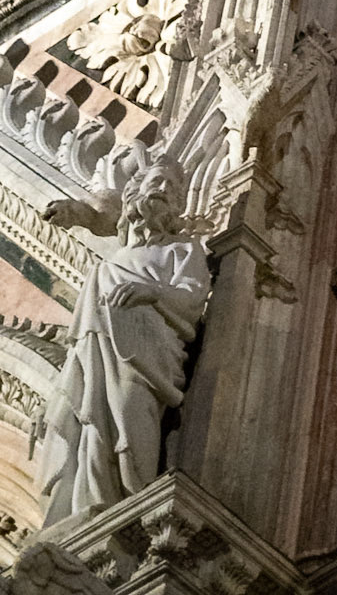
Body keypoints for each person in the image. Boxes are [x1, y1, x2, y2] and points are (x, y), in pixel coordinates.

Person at [40, 156, 211, 522]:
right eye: (158, 182)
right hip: (95, 350)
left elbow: (193, 297)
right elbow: (105, 213)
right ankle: (90, 507)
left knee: (133, 417)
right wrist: (79, 213)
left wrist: (150, 293)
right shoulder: (115, 256)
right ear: (135, 191)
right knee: (89, 425)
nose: (164, 191)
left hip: (147, 355)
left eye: (172, 189)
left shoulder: (183, 249)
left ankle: (128, 512)